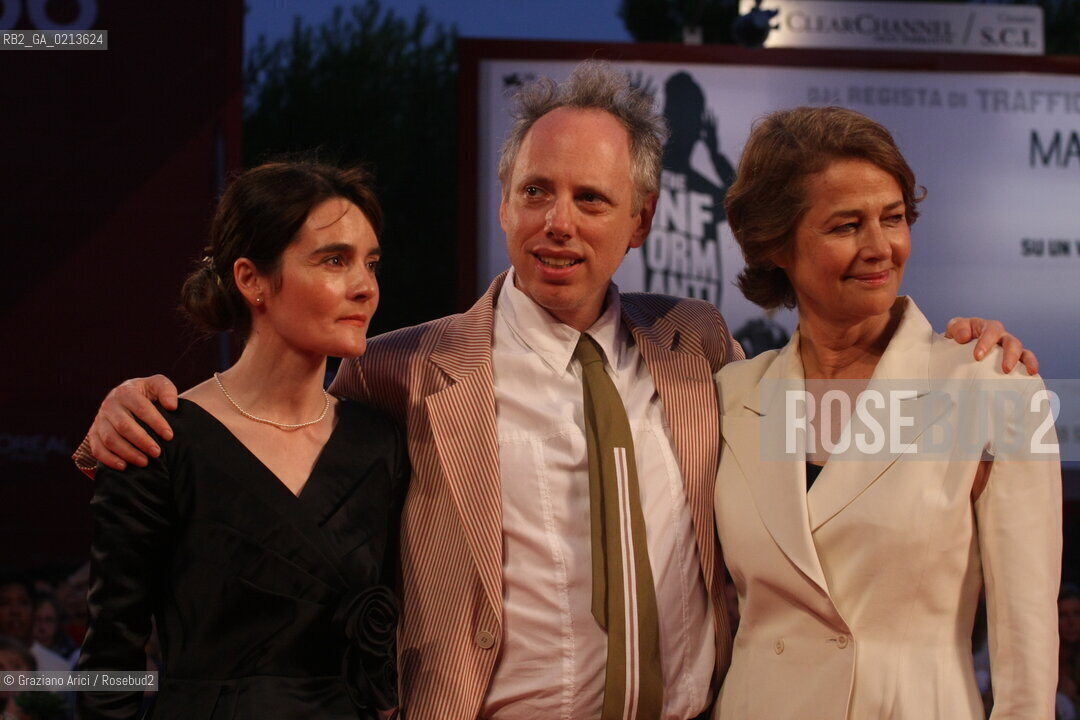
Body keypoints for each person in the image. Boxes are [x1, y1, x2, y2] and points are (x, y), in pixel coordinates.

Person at [76, 64, 1036, 720]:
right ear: (503, 203)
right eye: (535, 192)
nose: (557, 224)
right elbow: (266, 416)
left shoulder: (702, 352)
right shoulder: (408, 368)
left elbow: (861, 420)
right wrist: (134, 408)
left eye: (589, 200)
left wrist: (970, 349)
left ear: (643, 220)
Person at [713, 106, 1061, 719]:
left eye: (894, 218)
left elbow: (1026, 645)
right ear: (775, 243)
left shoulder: (992, 386)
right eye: (847, 225)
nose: (881, 247)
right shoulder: (730, 395)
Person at [76, 161, 406, 720]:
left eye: (370, 264)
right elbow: (110, 659)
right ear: (251, 279)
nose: (364, 287)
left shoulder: (380, 442)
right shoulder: (158, 437)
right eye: (334, 260)